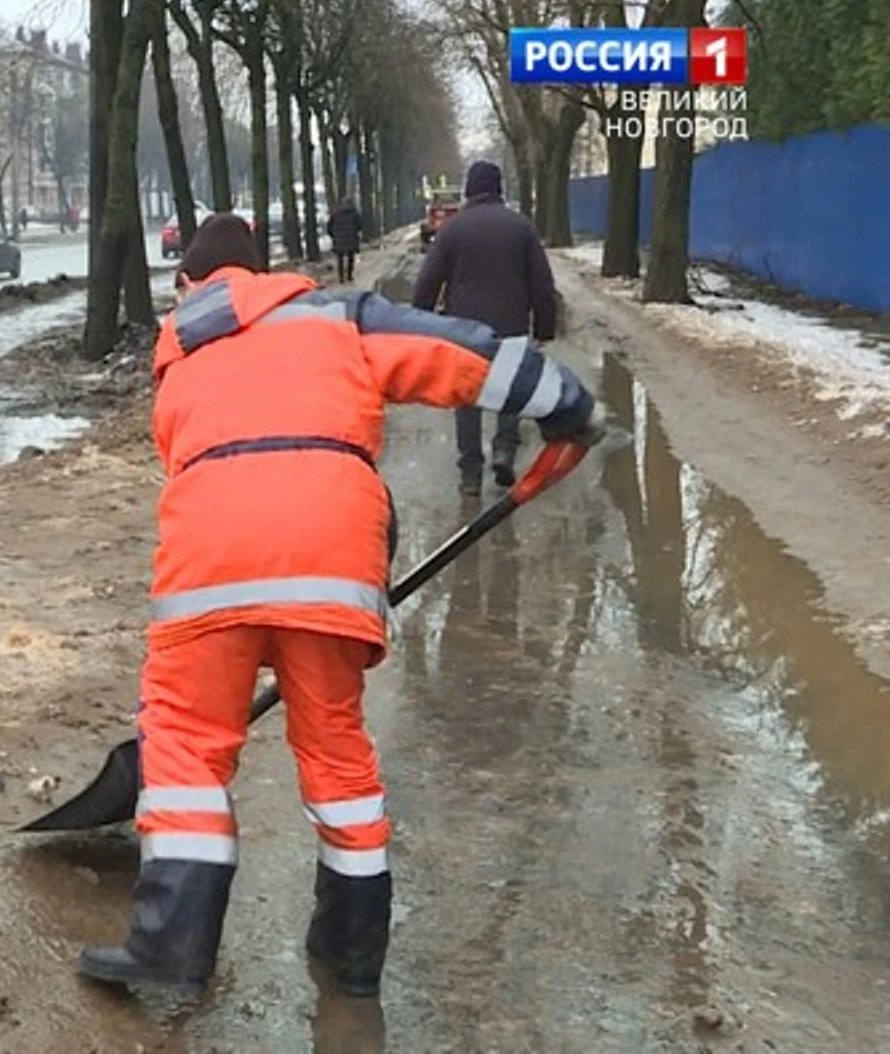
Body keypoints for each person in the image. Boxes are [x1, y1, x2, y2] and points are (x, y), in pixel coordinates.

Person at [76, 214, 605, 1001]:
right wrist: (564, 401)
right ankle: (351, 955)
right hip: (331, 560)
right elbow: (458, 352)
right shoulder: (335, 315)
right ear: (265, 272)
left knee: (185, 748)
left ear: (189, 284)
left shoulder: (177, 350)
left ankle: (171, 948)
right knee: (336, 751)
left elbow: (183, 454)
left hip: (208, 564)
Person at [411, 160, 560, 497]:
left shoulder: (452, 229)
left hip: (465, 331)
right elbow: (542, 284)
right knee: (508, 392)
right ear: (498, 190)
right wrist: (545, 327)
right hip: (511, 327)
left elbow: (427, 283)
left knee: (467, 399)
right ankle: (505, 451)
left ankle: (470, 473)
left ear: (468, 190)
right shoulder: (521, 228)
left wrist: (420, 322)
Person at [327, 196, 362, 284]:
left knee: (340, 258)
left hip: (339, 238)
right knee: (351, 257)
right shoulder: (354, 213)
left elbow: (329, 226)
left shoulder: (335, 213)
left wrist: (334, 235)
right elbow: (359, 226)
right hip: (351, 239)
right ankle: (349, 276)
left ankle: (341, 277)